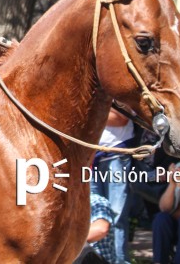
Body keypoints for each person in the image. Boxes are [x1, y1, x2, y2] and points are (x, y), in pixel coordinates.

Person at [90, 110, 135, 264]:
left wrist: (90, 109)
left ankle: (120, 261)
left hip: (117, 152)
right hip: (90, 155)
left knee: (117, 216)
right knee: (93, 216)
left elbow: (120, 119)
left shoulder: (120, 88)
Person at [74, 192, 116, 263]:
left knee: (81, 248)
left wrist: (67, 242)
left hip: (96, 260)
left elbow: (101, 229)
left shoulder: (96, 201)